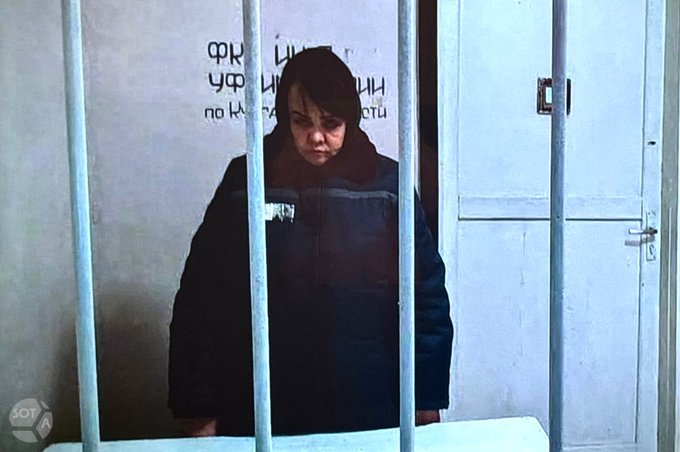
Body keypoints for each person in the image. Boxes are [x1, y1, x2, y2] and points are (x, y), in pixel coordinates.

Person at [167, 47, 453, 437]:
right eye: (301, 121)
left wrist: (425, 397)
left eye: (331, 123)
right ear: (284, 116)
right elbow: (202, 298)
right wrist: (197, 406)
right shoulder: (247, 179)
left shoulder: (389, 186)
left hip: (369, 403)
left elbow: (426, 298)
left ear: (350, 119)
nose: (316, 137)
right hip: (261, 404)